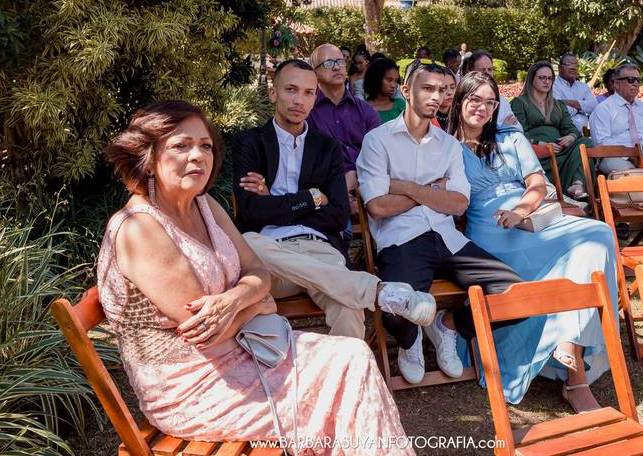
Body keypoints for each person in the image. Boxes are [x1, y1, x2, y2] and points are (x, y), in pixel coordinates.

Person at [99, 101, 415, 454]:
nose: (198, 155)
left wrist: (238, 298)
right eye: (181, 145)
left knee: (354, 354)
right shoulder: (140, 229)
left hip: (246, 351)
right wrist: (258, 302)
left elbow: (258, 271)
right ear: (148, 157)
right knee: (346, 373)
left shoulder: (205, 206)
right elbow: (208, 331)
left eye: (205, 145)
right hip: (193, 387)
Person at [447, 71, 617, 413]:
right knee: (590, 245)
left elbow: (536, 185)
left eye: (490, 102)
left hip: (528, 217)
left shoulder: (510, 137)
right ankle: (576, 381)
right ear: (459, 101)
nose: (482, 108)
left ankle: (569, 344)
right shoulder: (444, 146)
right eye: (475, 99)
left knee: (598, 235)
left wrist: (521, 211)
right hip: (489, 228)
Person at [233, 59, 435, 339]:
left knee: (348, 307)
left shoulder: (326, 147)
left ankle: (350, 368)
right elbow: (251, 211)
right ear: (273, 93)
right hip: (270, 258)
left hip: (320, 249)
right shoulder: (250, 142)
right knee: (248, 241)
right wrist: (312, 198)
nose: (299, 100)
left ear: (314, 99)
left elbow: (339, 215)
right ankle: (378, 292)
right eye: (291, 89)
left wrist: (275, 204)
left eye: (308, 93)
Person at [356, 62, 523, 386]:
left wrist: (406, 187)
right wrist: (435, 190)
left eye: (443, 90)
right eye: (428, 88)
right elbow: (378, 207)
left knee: (515, 298)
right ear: (407, 91)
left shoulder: (448, 145)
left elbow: (458, 204)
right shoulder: (378, 141)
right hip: (402, 239)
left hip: (448, 238)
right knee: (393, 312)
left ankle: (447, 325)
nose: (437, 96)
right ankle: (410, 341)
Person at [308, 44, 381, 214]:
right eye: (328, 63)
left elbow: (380, 155)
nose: (336, 67)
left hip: (368, 188)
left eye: (340, 62)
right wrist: (339, 192)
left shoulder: (365, 111)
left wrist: (355, 176)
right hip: (324, 194)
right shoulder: (307, 112)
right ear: (314, 72)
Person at [512, 61, 593, 200]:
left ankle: (577, 185)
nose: (547, 81)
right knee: (580, 152)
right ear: (531, 79)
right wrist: (539, 143)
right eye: (542, 78)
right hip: (537, 152)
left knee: (586, 143)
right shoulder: (520, 102)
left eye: (550, 78)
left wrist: (571, 137)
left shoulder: (558, 104)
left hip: (561, 149)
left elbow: (571, 128)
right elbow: (518, 131)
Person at [590, 64, 643, 174]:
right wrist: (630, 156)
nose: (636, 84)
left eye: (638, 80)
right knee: (635, 175)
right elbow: (602, 142)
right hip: (615, 157)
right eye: (630, 80)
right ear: (616, 84)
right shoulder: (603, 109)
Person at [461, 49, 522, 130]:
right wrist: (503, 128)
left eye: (490, 69)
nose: (487, 73)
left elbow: (516, 127)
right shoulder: (463, 98)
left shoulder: (501, 101)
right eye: (482, 70)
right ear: (470, 71)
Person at [553, 53, 598, 133]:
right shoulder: (553, 86)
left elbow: (594, 105)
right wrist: (582, 108)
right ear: (560, 68)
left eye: (576, 65)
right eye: (569, 64)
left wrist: (569, 103)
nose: (573, 68)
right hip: (562, 133)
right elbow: (559, 111)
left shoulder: (583, 87)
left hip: (584, 134)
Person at [365, 58, 406, 123]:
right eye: (389, 80)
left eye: (396, 81)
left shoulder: (401, 105)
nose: (393, 85)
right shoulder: (363, 108)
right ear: (376, 79)